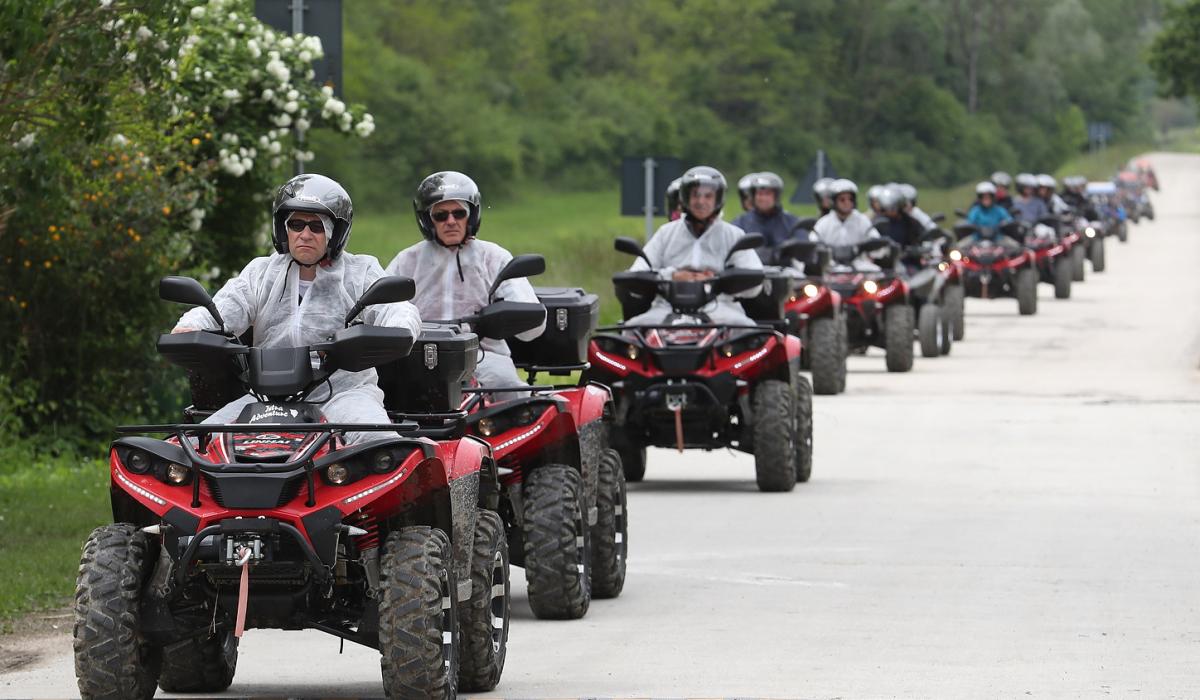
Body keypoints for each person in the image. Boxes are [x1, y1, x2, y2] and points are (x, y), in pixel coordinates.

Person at [172, 174, 422, 445]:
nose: (304, 234)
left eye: (316, 226)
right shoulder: (261, 272)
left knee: (381, 444)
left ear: (335, 233)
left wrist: (400, 330)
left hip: (343, 394)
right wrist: (191, 326)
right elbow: (221, 310)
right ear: (283, 229)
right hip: (265, 399)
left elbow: (396, 309)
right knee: (194, 444)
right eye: (296, 224)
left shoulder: (361, 271)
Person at [386, 171, 546, 398]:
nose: (451, 221)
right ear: (426, 219)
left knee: (509, 387)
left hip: (484, 355)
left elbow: (533, 327)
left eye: (459, 213)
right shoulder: (407, 260)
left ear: (471, 216)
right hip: (420, 358)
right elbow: (380, 307)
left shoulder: (494, 257)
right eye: (440, 215)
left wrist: (505, 317)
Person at [624, 165, 763, 326]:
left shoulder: (734, 235)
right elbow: (637, 273)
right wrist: (672, 276)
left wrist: (718, 280)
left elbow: (755, 285)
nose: (701, 201)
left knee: (749, 333)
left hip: (720, 308)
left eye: (708, 196)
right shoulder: (665, 233)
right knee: (631, 331)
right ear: (685, 198)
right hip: (667, 308)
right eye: (695, 195)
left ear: (718, 199)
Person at [811, 178, 885, 270]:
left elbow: (876, 243)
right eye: (842, 200)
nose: (847, 203)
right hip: (831, 268)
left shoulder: (862, 220)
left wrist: (874, 245)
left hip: (859, 268)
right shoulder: (824, 223)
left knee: (876, 272)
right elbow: (813, 242)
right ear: (834, 201)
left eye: (850, 199)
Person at [731, 171, 802, 258]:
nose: (763, 198)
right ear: (753, 197)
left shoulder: (791, 221)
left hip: (786, 269)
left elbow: (803, 245)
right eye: (760, 194)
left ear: (776, 196)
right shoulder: (740, 222)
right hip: (750, 269)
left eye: (767, 194)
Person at [875, 185, 926, 249]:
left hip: (907, 257)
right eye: (888, 208)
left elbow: (923, 238)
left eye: (893, 208)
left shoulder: (911, 223)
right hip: (884, 257)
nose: (890, 211)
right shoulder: (878, 223)